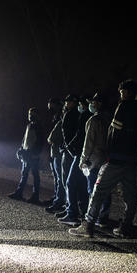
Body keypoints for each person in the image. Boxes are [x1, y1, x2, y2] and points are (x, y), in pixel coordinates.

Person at [70, 79, 137, 238]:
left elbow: (114, 133)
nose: (121, 95)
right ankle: (126, 226)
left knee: (98, 191)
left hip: (116, 159)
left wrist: (109, 153)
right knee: (130, 196)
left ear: (126, 92)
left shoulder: (123, 107)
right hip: (131, 160)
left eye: (122, 92)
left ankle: (88, 225)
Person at [79, 92, 112, 228]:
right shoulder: (110, 118)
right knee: (106, 188)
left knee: (92, 190)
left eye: (93, 102)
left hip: (93, 160)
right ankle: (103, 217)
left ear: (99, 104)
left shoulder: (94, 120)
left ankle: (91, 218)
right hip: (107, 159)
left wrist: (83, 159)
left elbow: (89, 143)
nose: (91, 105)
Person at [59, 95, 92, 226]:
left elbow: (79, 135)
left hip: (81, 155)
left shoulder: (84, 116)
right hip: (85, 155)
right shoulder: (88, 116)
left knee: (71, 182)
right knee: (83, 184)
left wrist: (69, 147)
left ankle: (72, 214)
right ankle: (83, 213)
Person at [9, 107, 45, 203]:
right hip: (26, 154)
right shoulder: (30, 125)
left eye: (32, 114)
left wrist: (35, 153)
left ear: (37, 115)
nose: (30, 116)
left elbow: (40, 142)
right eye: (29, 114)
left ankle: (35, 196)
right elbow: (24, 139)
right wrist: (21, 149)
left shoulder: (38, 127)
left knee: (35, 175)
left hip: (33, 155)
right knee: (24, 174)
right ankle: (19, 193)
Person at [55, 94, 81, 226]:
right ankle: (69, 207)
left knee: (68, 181)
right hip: (71, 150)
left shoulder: (71, 114)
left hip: (69, 151)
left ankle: (71, 210)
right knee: (68, 181)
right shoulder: (75, 113)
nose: (65, 103)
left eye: (67, 101)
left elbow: (67, 133)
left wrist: (68, 147)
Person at [44, 97, 65, 212]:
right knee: (57, 177)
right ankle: (57, 197)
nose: (50, 107)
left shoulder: (61, 117)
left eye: (51, 104)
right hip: (54, 149)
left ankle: (59, 200)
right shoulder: (55, 116)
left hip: (58, 150)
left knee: (60, 178)